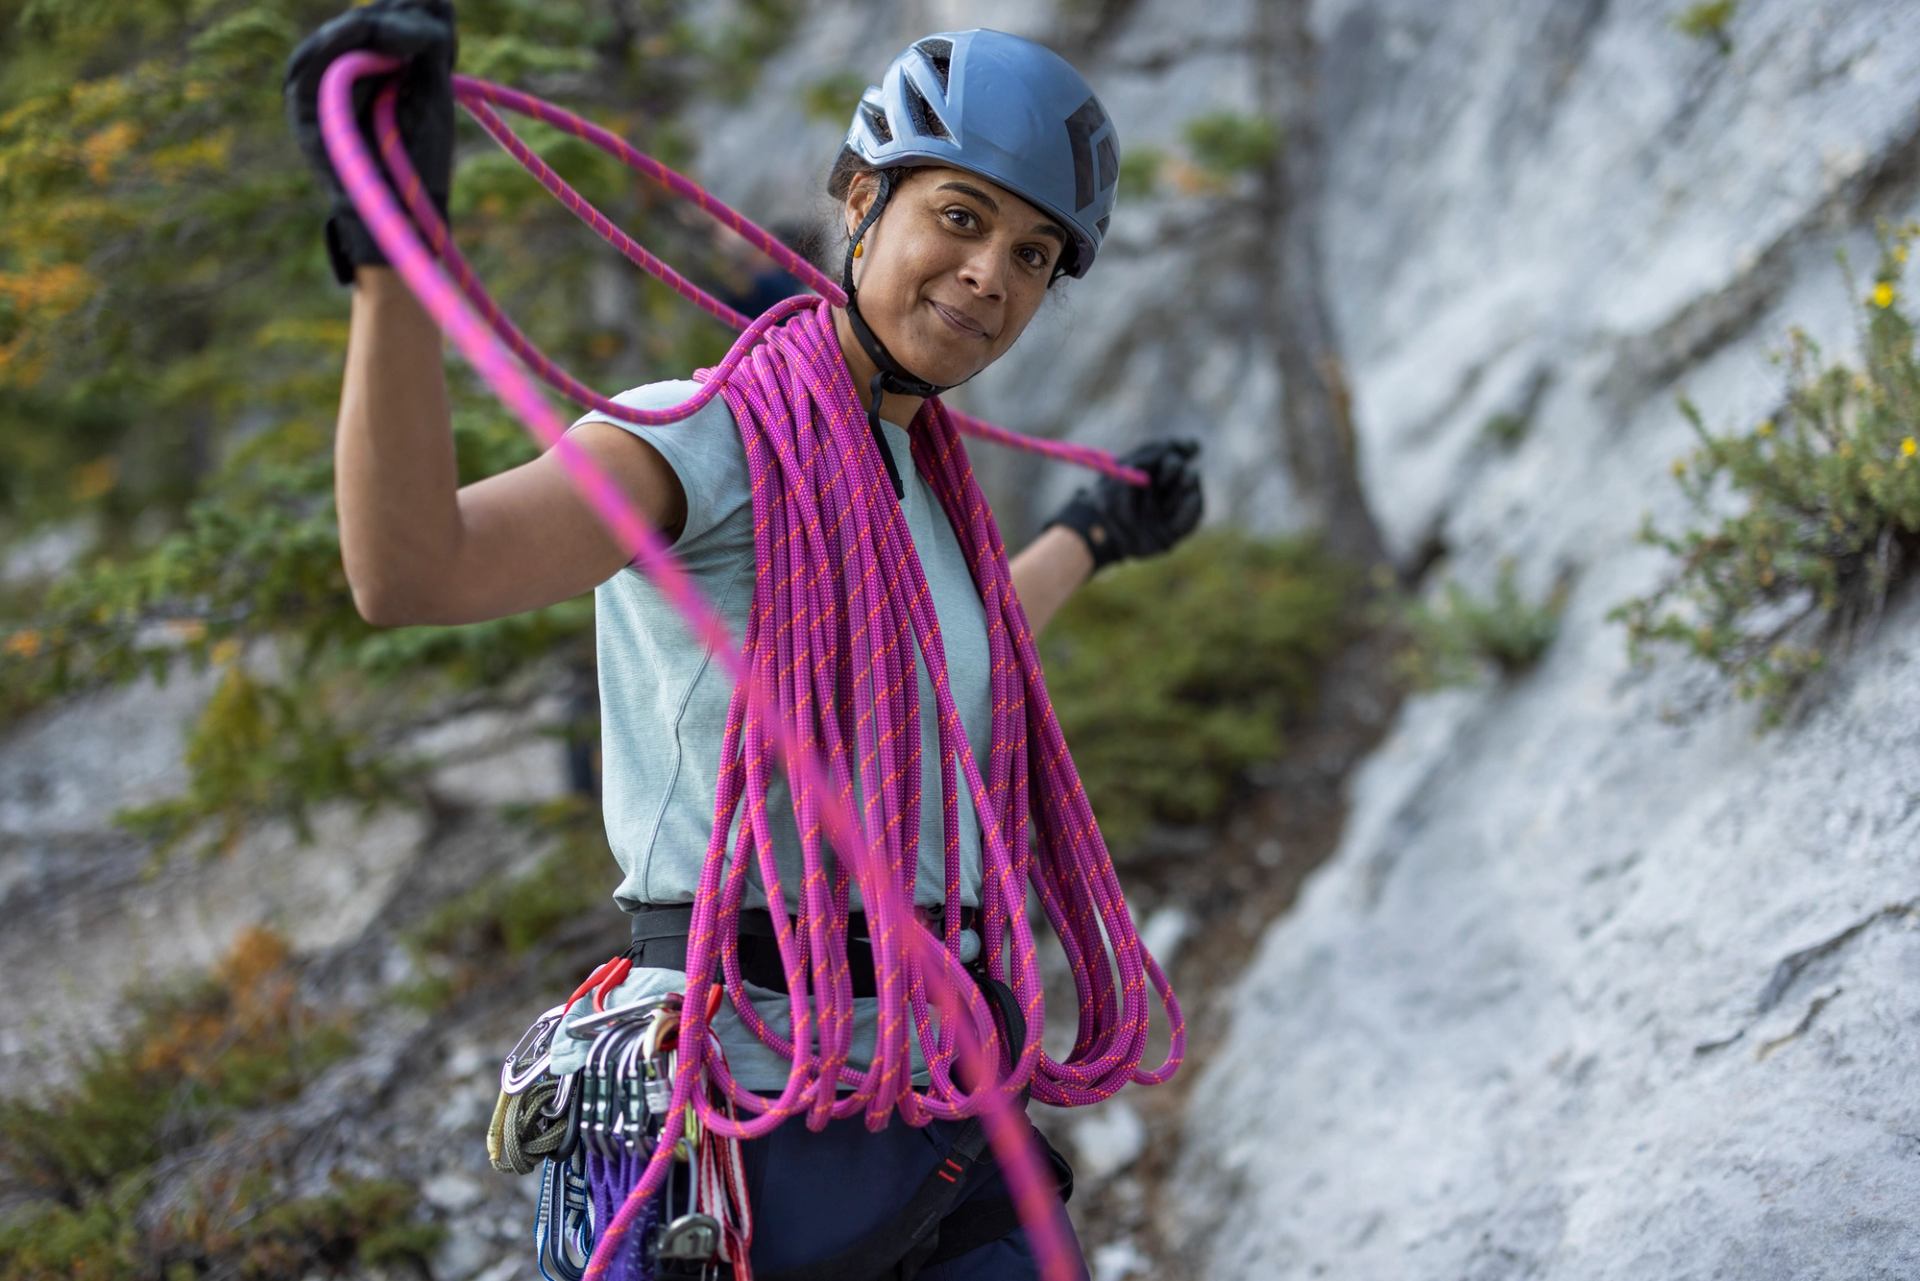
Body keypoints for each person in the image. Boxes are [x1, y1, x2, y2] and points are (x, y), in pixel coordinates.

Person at [288, 3, 1203, 1277]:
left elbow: (927, 677)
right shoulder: (703, 434)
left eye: (1036, 253)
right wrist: (393, 265)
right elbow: (413, 570)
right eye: (960, 216)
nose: (993, 273)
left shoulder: (920, 474)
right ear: (858, 198)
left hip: (932, 1083)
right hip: (752, 1103)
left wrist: (1095, 537)